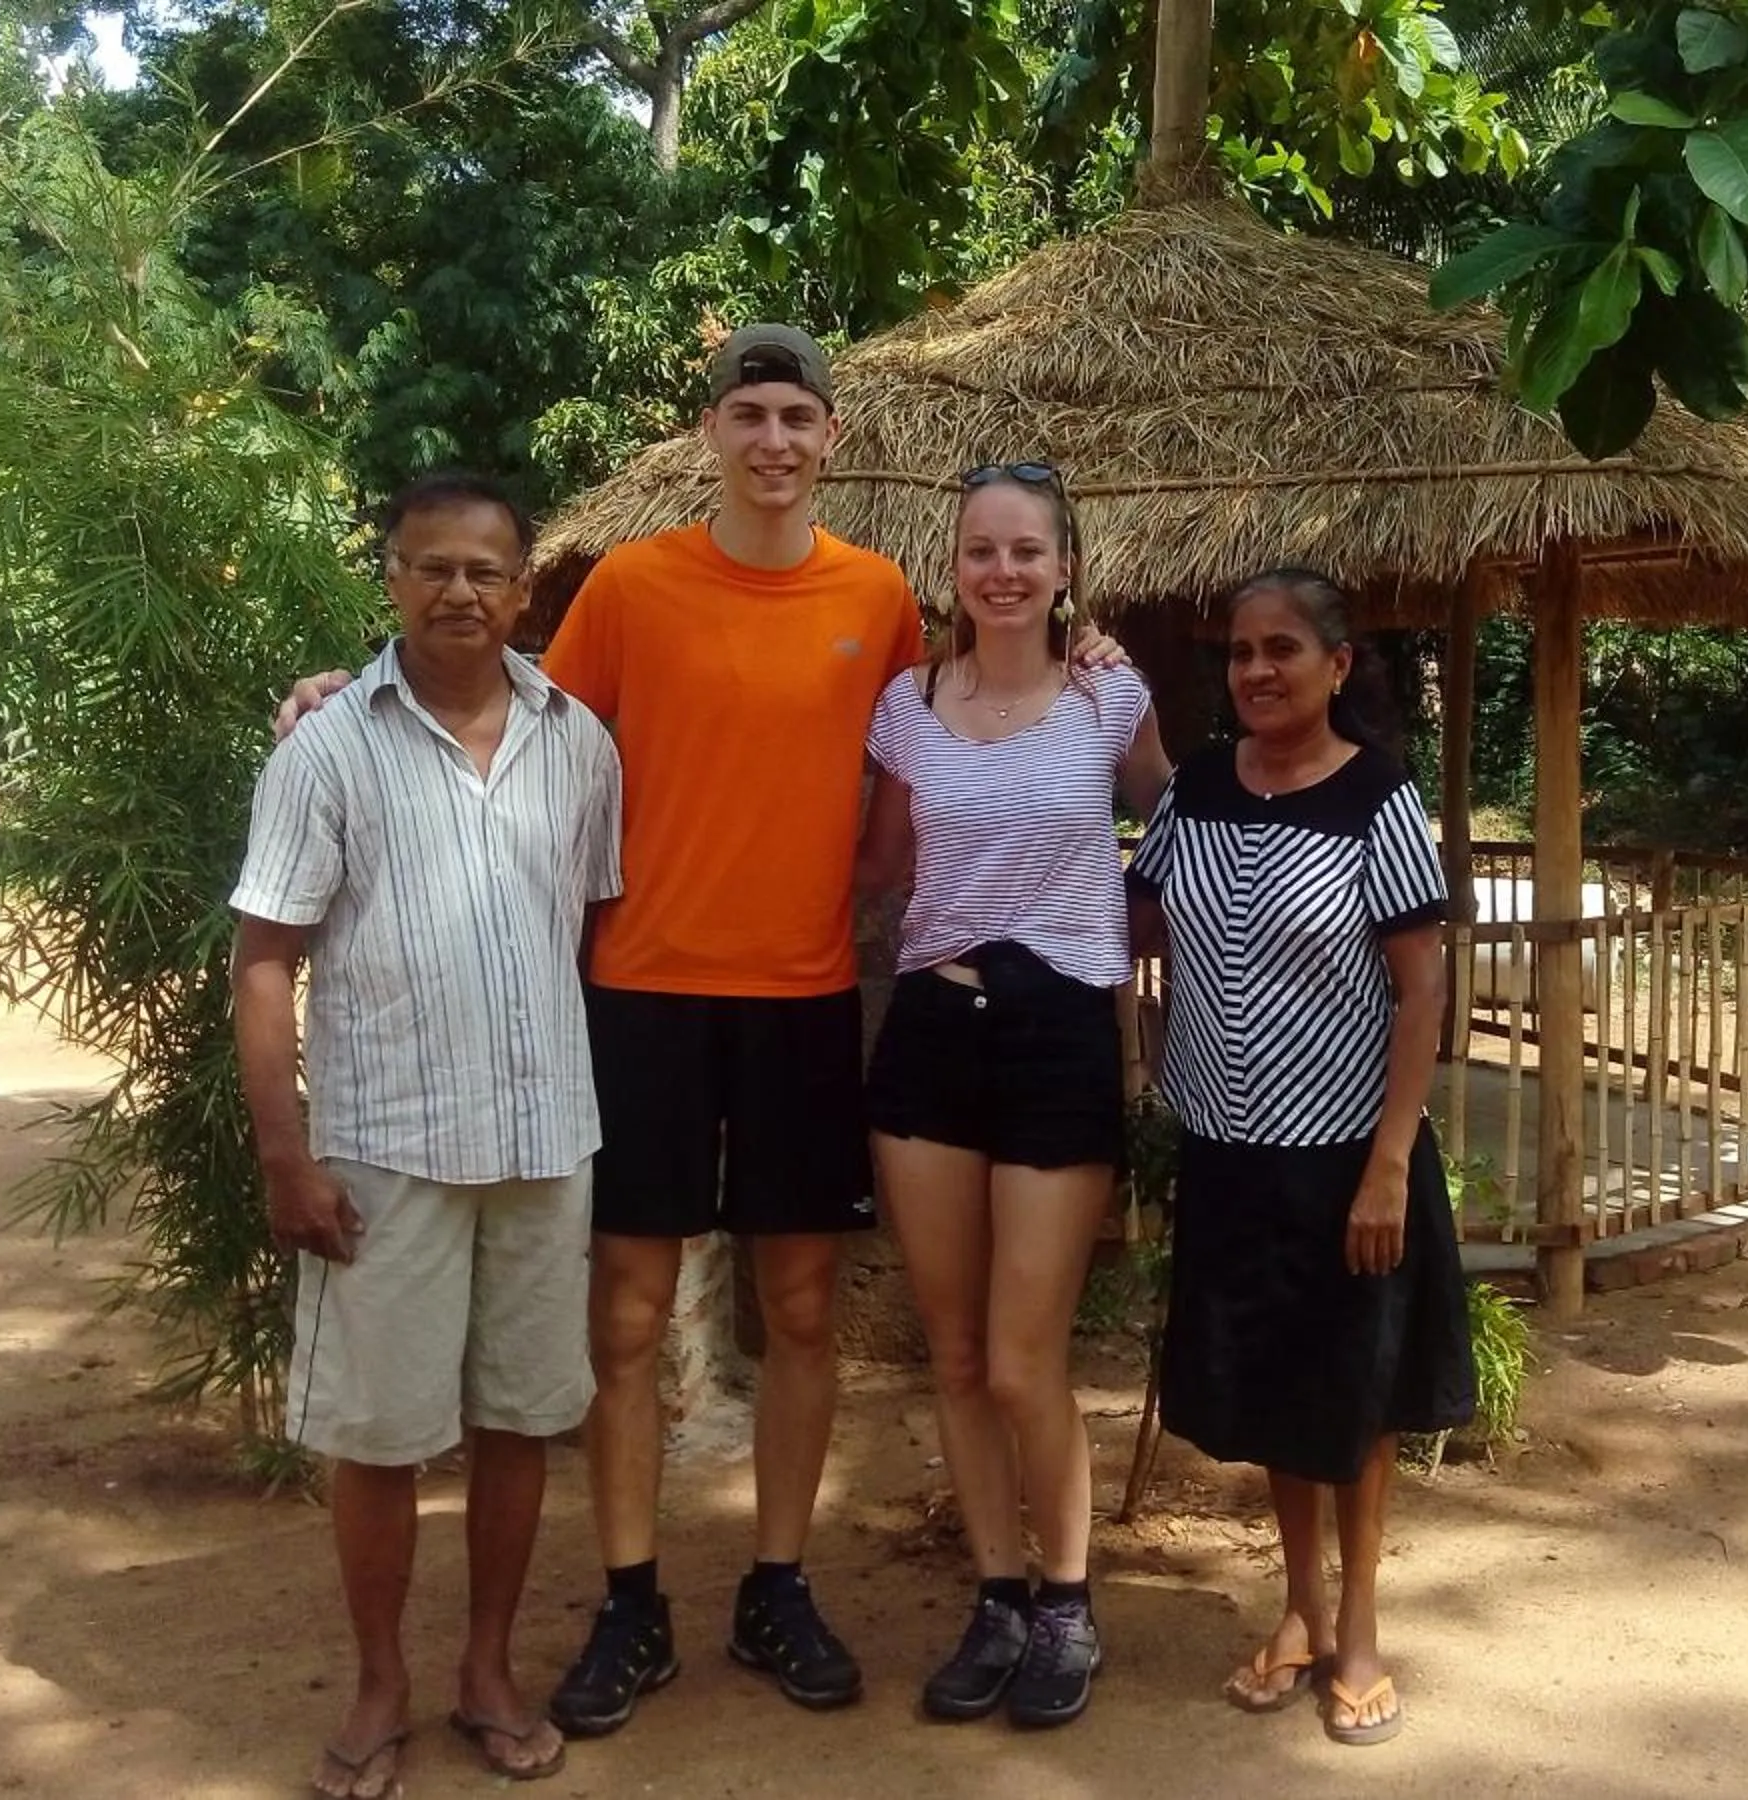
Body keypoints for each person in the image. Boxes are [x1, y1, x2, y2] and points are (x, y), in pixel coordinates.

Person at [269, 325, 1126, 1738]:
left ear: (831, 438)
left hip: (797, 1000)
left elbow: (944, 768)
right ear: (713, 432)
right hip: (644, 994)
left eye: (799, 415)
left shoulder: (881, 605)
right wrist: (334, 685)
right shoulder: (633, 586)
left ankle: (777, 1584)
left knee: (799, 1315)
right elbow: (510, 705)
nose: (775, 439)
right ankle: (631, 1598)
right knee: (624, 1317)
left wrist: (1086, 651)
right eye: (750, 413)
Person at [232, 472, 624, 1797]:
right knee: (380, 1436)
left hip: (540, 1143)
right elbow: (264, 961)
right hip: (383, 1154)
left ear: (526, 592)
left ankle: (487, 1669)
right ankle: (381, 1682)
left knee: (519, 1423)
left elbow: (589, 926)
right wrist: (287, 1155)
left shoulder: (580, 744)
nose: (459, 591)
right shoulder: (326, 749)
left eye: (485, 572)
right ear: (391, 580)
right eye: (430, 566)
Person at [1124, 567, 1474, 1749]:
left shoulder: (1378, 799)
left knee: (1358, 1400)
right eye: (1239, 652)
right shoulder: (1198, 794)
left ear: (1337, 666)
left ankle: (1362, 1629)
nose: (1258, 671)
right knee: (1276, 1393)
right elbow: (1138, 923)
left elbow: (1420, 990)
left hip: (1348, 1158)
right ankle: (1300, 1611)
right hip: (1230, 1153)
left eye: (1283, 649)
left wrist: (1389, 1163)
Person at [857, 462, 1171, 1728]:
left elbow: (1181, 814)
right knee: (955, 1350)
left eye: (1026, 551)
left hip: (1058, 1027)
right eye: (981, 551)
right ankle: (994, 1592)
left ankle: (1067, 1602)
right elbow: (876, 863)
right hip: (932, 1025)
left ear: (1064, 568)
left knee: (1024, 1355)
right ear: (954, 568)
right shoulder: (907, 703)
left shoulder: (1107, 692)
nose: (1003, 572)